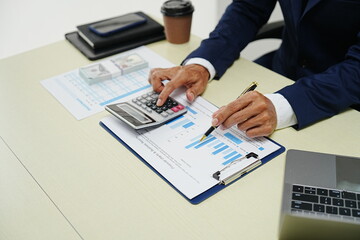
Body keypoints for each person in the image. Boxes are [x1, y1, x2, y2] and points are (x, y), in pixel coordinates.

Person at [149, 0, 360, 138]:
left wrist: (283, 105)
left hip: (345, 99)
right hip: (284, 68)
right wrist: (202, 63)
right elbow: (248, 8)